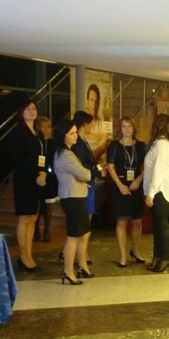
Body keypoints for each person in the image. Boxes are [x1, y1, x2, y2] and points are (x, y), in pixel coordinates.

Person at [53, 118, 94, 285]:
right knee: (74, 235)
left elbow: (81, 175)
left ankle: (82, 265)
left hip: (76, 196)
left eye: (76, 132)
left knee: (85, 232)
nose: (75, 136)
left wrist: (81, 177)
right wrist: (84, 175)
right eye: (71, 133)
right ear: (63, 135)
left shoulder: (68, 152)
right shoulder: (66, 155)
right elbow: (86, 174)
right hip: (72, 198)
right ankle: (68, 271)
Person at [8, 98, 46, 272]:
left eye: (34, 108)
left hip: (38, 179)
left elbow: (42, 158)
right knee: (25, 217)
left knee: (33, 218)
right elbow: (19, 159)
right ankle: (23, 256)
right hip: (24, 180)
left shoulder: (38, 133)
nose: (32, 111)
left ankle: (29, 255)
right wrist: (36, 174)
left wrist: (43, 172)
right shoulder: (18, 132)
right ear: (21, 112)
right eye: (28, 109)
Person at [106, 117, 146, 267]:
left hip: (136, 185)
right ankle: (122, 255)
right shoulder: (114, 145)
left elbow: (147, 166)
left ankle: (135, 250)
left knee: (137, 221)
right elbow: (110, 166)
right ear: (120, 129)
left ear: (134, 128)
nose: (127, 129)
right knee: (122, 221)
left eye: (129, 126)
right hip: (120, 185)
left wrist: (138, 180)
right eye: (124, 126)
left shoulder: (141, 146)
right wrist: (119, 184)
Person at [143, 113, 169, 273]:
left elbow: (158, 171)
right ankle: (157, 256)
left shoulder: (162, 145)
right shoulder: (158, 144)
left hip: (160, 190)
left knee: (162, 226)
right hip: (157, 190)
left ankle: (165, 257)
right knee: (157, 226)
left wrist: (150, 193)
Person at [71, 110, 103, 267]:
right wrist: (95, 170)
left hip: (89, 181)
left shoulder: (83, 141)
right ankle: (80, 254)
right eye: (90, 124)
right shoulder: (78, 143)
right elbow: (81, 165)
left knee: (87, 218)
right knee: (84, 220)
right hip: (84, 183)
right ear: (84, 124)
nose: (92, 127)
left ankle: (80, 252)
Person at [33, 116, 57, 243]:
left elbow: (53, 159)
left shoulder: (53, 143)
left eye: (48, 127)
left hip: (50, 177)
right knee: (37, 204)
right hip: (37, 175)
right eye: (43, 126)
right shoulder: (36, 141)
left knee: (48, 204)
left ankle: (46, 230)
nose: (46, 129)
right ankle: (36, 228)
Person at [82, 83, 109, 163]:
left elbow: (105, 149)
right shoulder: (82, 126)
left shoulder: (103, 125)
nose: (94, 105)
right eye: (91, 100)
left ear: (99, 103)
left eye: (96, 101)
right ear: (87, 101)